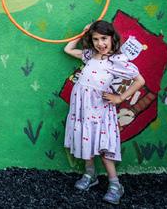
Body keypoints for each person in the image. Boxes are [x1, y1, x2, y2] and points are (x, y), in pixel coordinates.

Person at [63, 20, 145, 205]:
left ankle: (115, 184)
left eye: (104, 38)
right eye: (95, 39)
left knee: (103, 146)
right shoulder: (90, 55)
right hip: (82, 110)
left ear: (112, 38)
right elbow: (68, 49)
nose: (100, 43)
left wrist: (120, 98)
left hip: (99, 111)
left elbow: (140, 80)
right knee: (85, 140)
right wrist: (83, 32)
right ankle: (90, 174)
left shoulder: (116, 60)